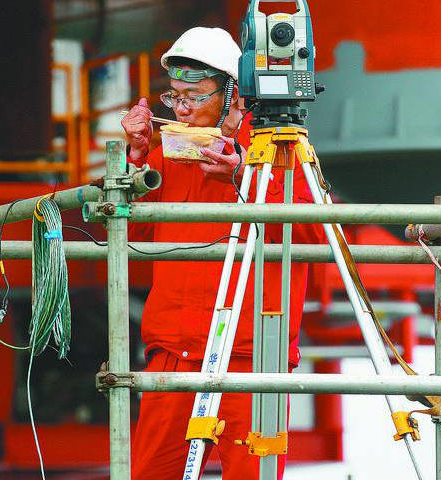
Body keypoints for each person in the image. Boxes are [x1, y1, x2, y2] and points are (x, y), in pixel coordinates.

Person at [120, 27, 324, 480]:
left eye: (194, 96)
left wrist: (242, 179)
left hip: (252, 352)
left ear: (233, 93)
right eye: (174, 97)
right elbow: (128, 232)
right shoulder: (167, 152)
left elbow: (318, 236)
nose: (183, 109)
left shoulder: (278, 145)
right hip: (173, 347)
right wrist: (134, 157)